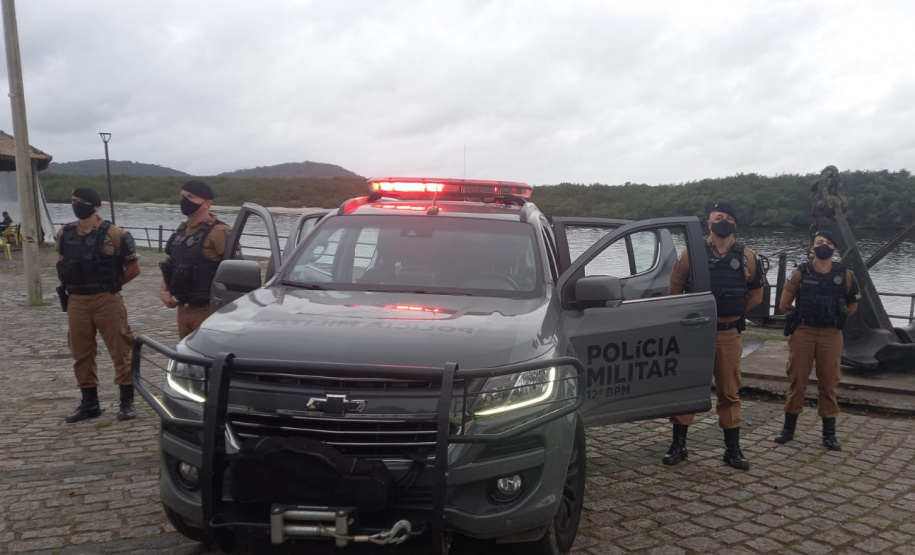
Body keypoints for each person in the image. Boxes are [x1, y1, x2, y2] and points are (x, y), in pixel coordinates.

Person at [663, 201, 766, 469]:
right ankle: (678, 445)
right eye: (718, 217)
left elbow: (756, 295)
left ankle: (732, 449)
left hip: (728, 333)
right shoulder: (691, 255)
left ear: (734, 224)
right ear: (709, 223)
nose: (723, 221)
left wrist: (733, 310)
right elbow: (674, 292)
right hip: (695, 333)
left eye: (729, 218)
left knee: (729, 392)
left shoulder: (748, 257)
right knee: (687, 388)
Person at [57, 187, 141, 423]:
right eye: (73, 201)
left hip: (106, 298)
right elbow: (62, 262)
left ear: (95, 206)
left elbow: (133, 269)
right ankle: (89, 403)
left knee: (121, 348)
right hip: (76, 299)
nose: (76, 205)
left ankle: (126, 402)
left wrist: (112, 285)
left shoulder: (115, 234)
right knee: (80, 351)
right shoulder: (65, 233)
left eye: (81, 201)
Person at [774, 230, 860, 450]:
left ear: (834, 249)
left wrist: (834, 315)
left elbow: (852, 305)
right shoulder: (800, 273)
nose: (824, 246)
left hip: (831, 335)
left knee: (829, 383)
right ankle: (788, 429)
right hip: (804, 332)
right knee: (797, 381)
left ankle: (829, 435)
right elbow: (784, 305)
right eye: (819, 242)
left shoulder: (846, 275)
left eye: (829, 243)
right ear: (812, 248)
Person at [159, 180, 231, 338]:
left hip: (208, 309)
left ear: (207, 203)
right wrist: (165, 290)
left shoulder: (220, 232)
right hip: (183, 308)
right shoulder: (181, 231)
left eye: (190, 196)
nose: (184, 200)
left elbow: (236, 272)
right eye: (182, 196)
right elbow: (171, 263)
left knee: (204, 358)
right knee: (184, 359)